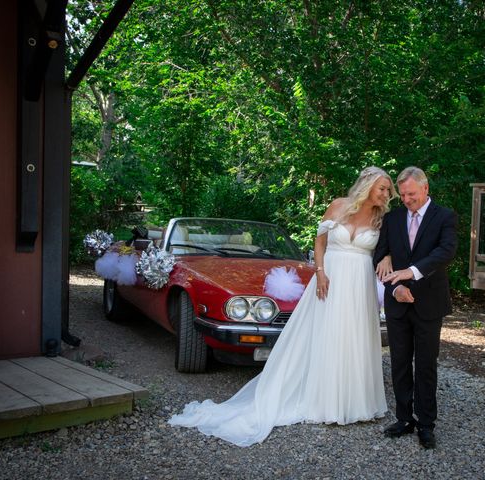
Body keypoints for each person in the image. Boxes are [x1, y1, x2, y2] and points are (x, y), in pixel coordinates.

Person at [168, 166, 396, 447]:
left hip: (359, 283)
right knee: (327, 335)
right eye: (382, 188)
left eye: (388, 190)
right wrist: (320, 271)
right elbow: (320, 240)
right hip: (331, 279)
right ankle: (323, 401)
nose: (386, 194)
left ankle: (356, 403)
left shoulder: (383, 219)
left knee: (354, 338)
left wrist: (387, 258)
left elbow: (390, 248)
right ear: (367, 185)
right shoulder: (338, 206)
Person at [373, 166, 457, 449]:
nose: (406, 199)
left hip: (429, 304)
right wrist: (395, 287)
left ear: (425, 188)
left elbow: (444, 253)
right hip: (397, 303)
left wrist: (411, 273)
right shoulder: (393, 218)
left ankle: (426, 424)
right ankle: (403, 418)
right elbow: (380, 257)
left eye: (411, 194)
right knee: (398, 363)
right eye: (403, 195)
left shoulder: (444, 216)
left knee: (425, 365)